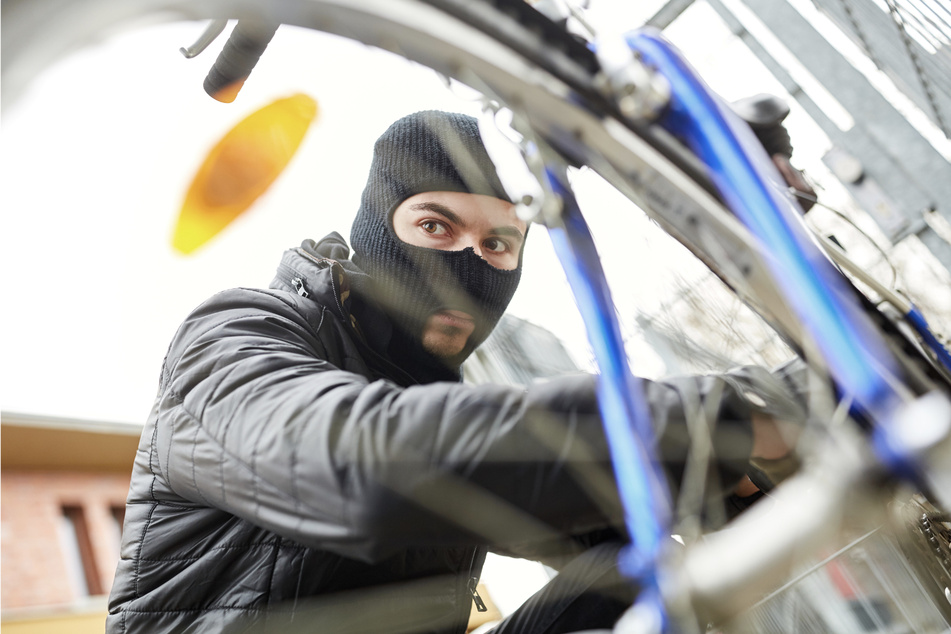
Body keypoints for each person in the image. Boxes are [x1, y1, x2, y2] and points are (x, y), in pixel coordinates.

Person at [107, 110, 804, 633]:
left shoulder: (448, 403)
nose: (469, 267)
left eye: (498, 243)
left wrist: (749, 483)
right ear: (377, 229)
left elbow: (607, 501)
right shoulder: (240, 333)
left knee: (637, 574)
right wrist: (732, 419)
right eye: (435, 227)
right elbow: (364, 469)